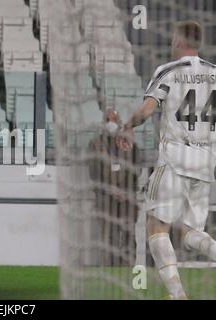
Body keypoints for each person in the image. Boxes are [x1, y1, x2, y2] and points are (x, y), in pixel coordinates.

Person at [118, 21, 216, 299]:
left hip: (176, 157)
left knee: (156, 225)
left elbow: (148, 109)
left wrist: (127, 126)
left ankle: (177, 295)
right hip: (206, 162)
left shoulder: (169, 71)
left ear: (178, 40)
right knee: (187, 230)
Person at [88, 108, 141, 266]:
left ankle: (129, 269)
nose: (111, 124)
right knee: (108, 237)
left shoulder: (130, 143)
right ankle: (110, 269)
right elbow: (94, 172)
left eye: (114, 120)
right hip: (105, 200)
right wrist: (110, 189)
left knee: (128, 236)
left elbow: (136, 168)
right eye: (108, 120)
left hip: (127, 200)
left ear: (119, 123)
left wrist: (125, 191)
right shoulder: (95, 144)